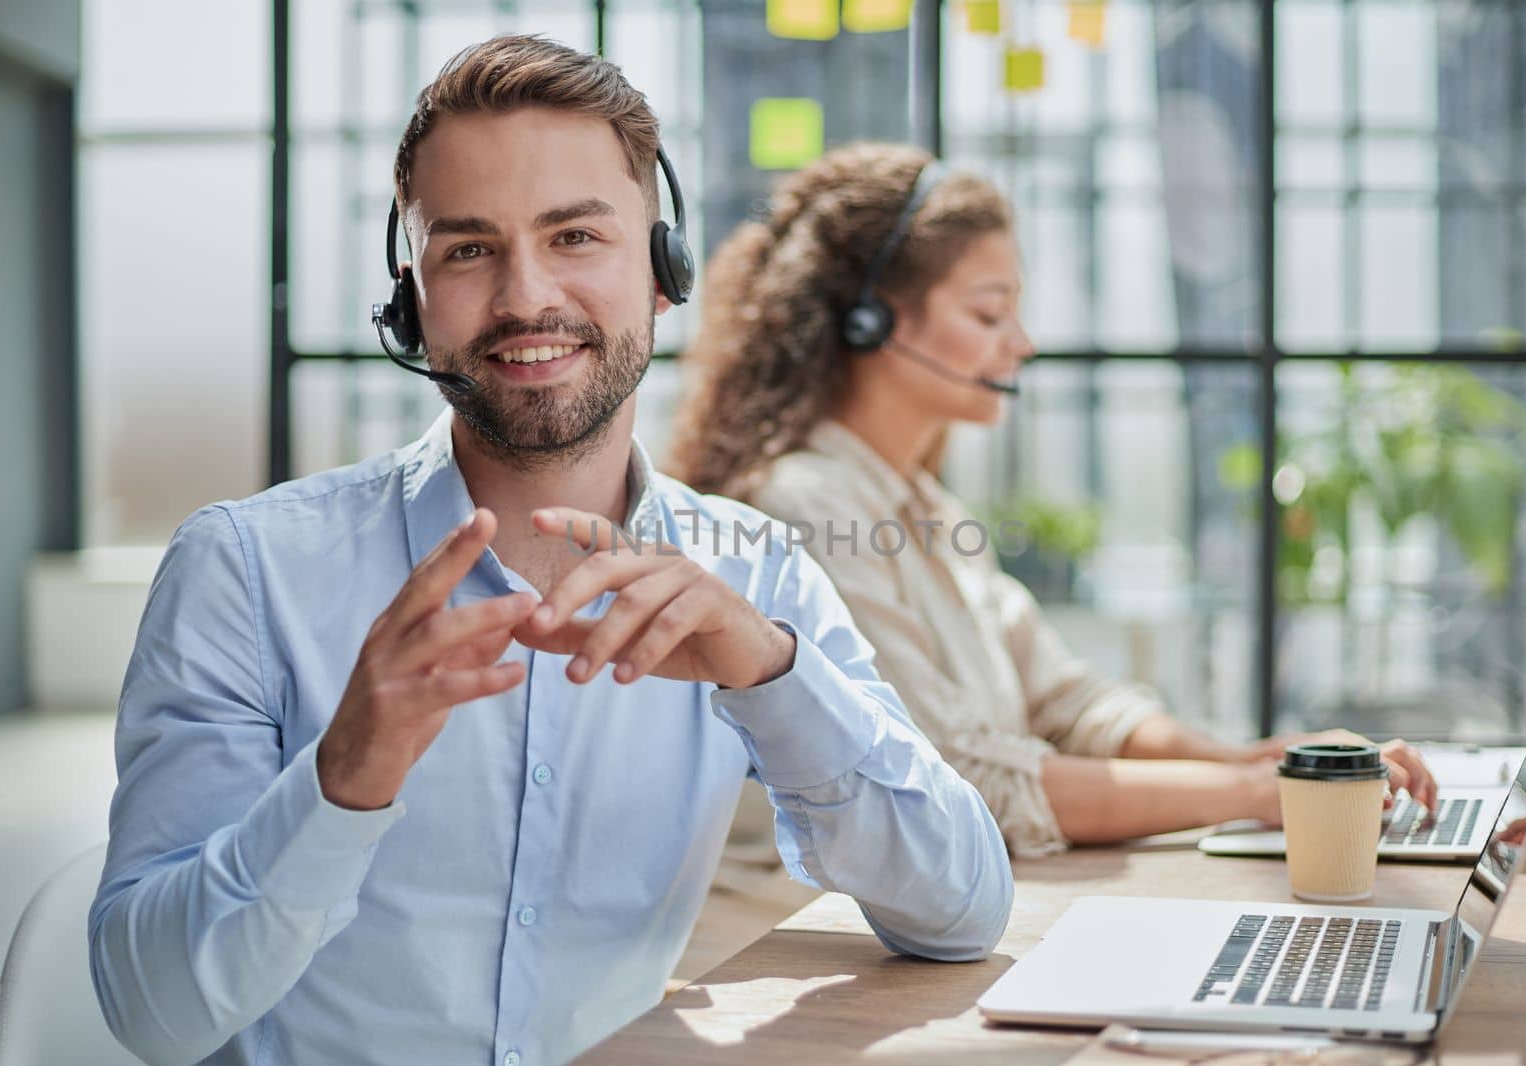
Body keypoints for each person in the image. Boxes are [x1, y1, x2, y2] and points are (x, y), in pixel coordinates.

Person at [88, 43, 1012, 1066]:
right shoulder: (244, 573)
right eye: (468, 248)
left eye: (574, 235)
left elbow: (962, 909)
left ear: (663, 276)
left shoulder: (752, 572)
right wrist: (342, 776)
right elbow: (155, 1017)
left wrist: (771, 673)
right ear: (412, 297)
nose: (527, 297)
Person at [668, 142, 1438, 860]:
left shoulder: (923, 506)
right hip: (798, 937)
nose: (1022, 343)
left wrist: (1254, 762)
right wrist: (1252, 794)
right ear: (870, 322)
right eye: (988, 312)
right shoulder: (805, 506)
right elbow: (955, 778)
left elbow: (1067, 703)